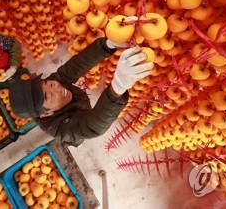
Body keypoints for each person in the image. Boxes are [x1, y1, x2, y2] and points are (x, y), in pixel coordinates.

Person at [9, 37, 153, 146]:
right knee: (82, 132)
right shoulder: (62, 130)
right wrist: (118, 87)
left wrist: (106, 45)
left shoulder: (54, 83)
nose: (57, 88)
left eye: (48, 83)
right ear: (47, 113)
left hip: (78, 104)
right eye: (49, 96)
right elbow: (93, 125)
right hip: (78, 125)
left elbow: (75, 66)